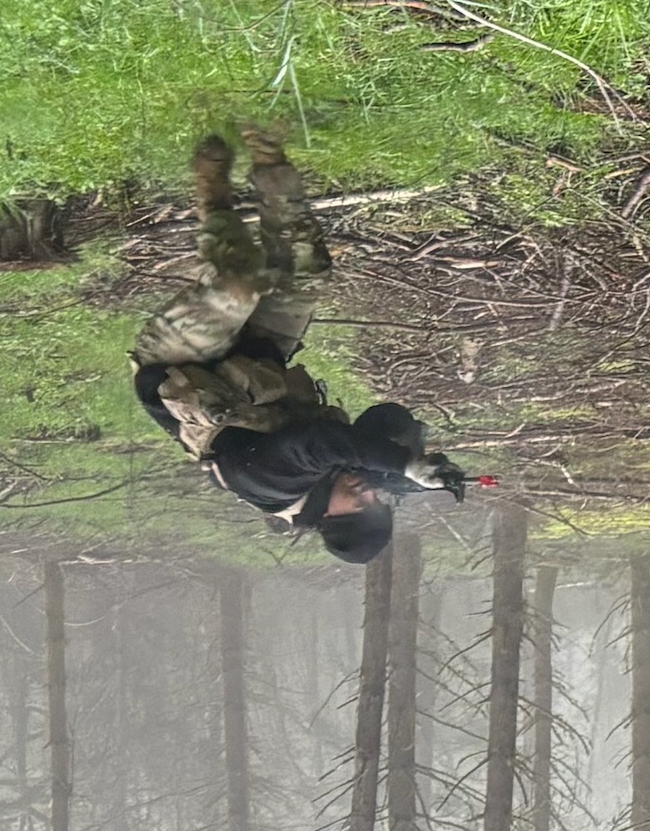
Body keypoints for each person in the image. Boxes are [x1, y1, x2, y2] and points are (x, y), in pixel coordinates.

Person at [129, 134, 466, 562]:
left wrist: (401, 465)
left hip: (176, 361)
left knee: (238, 286)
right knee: (308, 271)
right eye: (378, 500)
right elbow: (388, 416)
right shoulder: (336, 480)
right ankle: (269, 156)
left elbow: (318, 442)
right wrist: (407, 463)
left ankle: (213, 198)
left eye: (360, 505)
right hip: (255, 358)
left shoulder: (274, 487)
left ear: (327, 517)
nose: (368, 493)